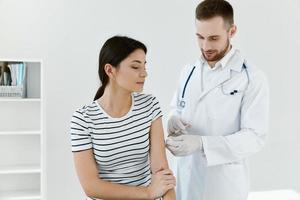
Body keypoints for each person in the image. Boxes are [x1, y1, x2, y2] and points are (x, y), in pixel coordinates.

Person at [165, 0, 269, 200]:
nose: (205, 46)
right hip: (185, 177)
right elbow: (177, 107)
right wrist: (173, 119)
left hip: (223, 185)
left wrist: (202, 144)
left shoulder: (251, 78)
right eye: (200, 37)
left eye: (213, 38)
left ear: (232, 31)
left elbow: (254, 137)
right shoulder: (189, 71)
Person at [70, 36, 176, 200]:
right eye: (135, 67)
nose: (144, 73)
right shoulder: (83, 119)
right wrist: (147, 193)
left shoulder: (150, 105)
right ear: (110, 70)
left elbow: (161, 172)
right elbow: (91, 186)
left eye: (144, 66)